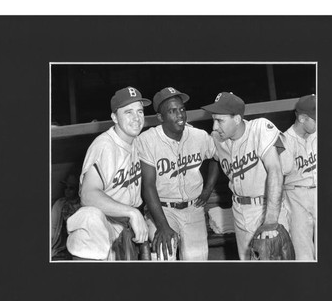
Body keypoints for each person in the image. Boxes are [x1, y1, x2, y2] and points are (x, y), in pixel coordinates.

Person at [66, 86, 151, 260]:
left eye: (140, 112)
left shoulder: (135, 140)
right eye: (128, 112)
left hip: (124, 227)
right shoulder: (104, 146)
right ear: (114, 117)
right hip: (103, 228)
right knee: (89, 216)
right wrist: (132, 213)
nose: (136, 118)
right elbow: (88, 195)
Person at [136, 87, 219, 261]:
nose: (180, 115)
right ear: (160, 117)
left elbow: (216, 157)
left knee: (198, 263)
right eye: (172, 111)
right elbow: (148, 185)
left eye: (182, 109)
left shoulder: (199, 136)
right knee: (165, 257)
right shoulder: (147, 140)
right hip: (163, 210)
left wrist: (209, 188)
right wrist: (162, 226)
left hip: (193, 209)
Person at [201, 92, 284, 260]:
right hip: (239, 210)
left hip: (266, 207)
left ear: (237, 119)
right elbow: (214, 159)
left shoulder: (259, 128)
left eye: (220, 121)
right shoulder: (217, 138)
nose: (215, 126)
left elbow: (275, 170)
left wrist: (270, 221)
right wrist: (208, 188)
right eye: (213, 119)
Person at [280, 94, 317, 260]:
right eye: (316, 119)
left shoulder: (317, 134)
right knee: (303, 252)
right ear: (302, 118)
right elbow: (278, 175)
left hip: (318, 192)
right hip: (296, 197)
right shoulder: (283, 140)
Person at [51, 174, 81, 260]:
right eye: (66, 187)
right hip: (62, 242)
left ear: (78, 190)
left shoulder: (83, 204)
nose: (67, 191)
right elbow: (53, 226)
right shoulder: (60, 204)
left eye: (71, 188)